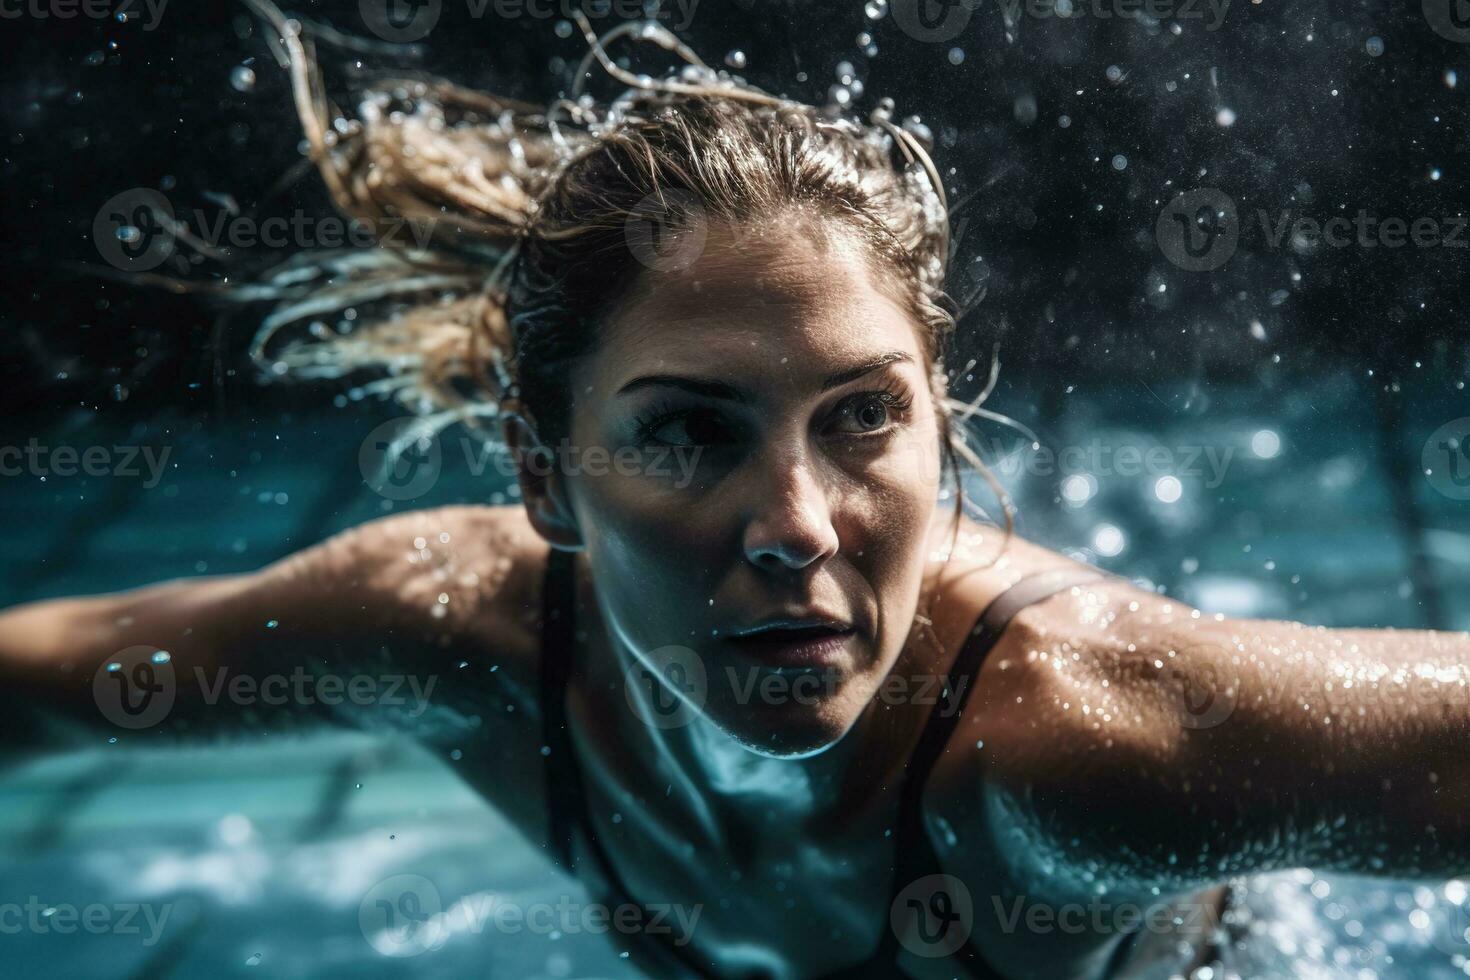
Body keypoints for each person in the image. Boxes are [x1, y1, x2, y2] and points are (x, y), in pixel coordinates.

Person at [2, 8, 1467, 978]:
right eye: (689, 436)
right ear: (543, 480)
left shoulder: (1080, 747)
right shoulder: (454, 643)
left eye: (860, 420)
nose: (796, 527)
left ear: (940, 433)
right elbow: (51, 678)